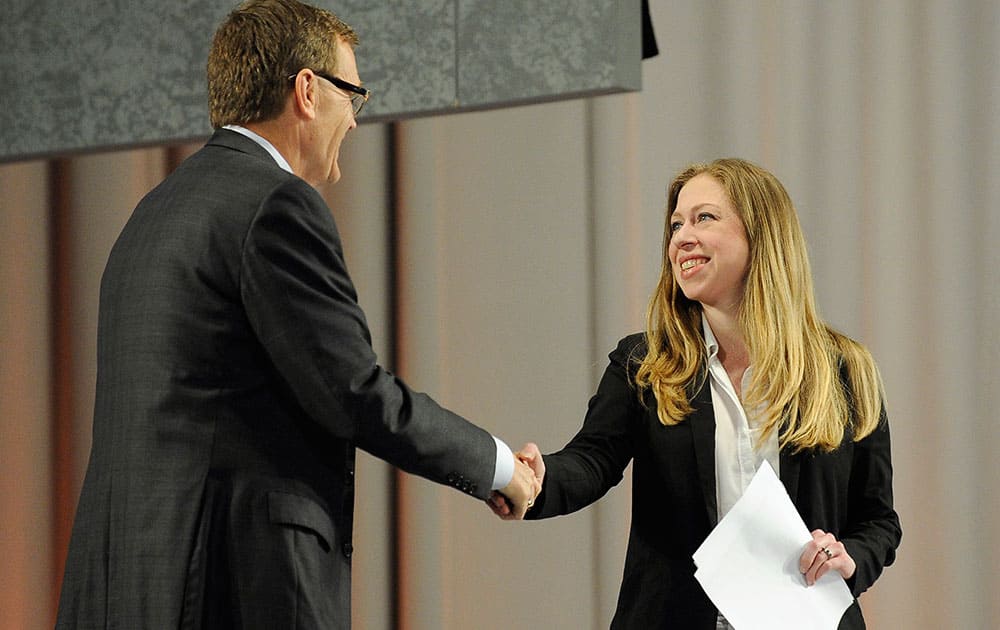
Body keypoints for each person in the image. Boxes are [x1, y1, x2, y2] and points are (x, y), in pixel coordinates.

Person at [56, 1, 539, 628]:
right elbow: (354, 391)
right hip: (229, 584)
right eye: (353, 96)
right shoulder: (276, 205)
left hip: (124, 585)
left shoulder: (151, 213)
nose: (356, 123)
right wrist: (497, 466)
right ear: (307, 91)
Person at [491, 158, 901, 628]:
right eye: (675, 224)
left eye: (704, 217)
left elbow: (879, 521)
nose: (682, 237)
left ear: (762, 234)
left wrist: (848, 559)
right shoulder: (644, 365)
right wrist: (535, 481)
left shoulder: (844, 370)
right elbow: (591, 461)